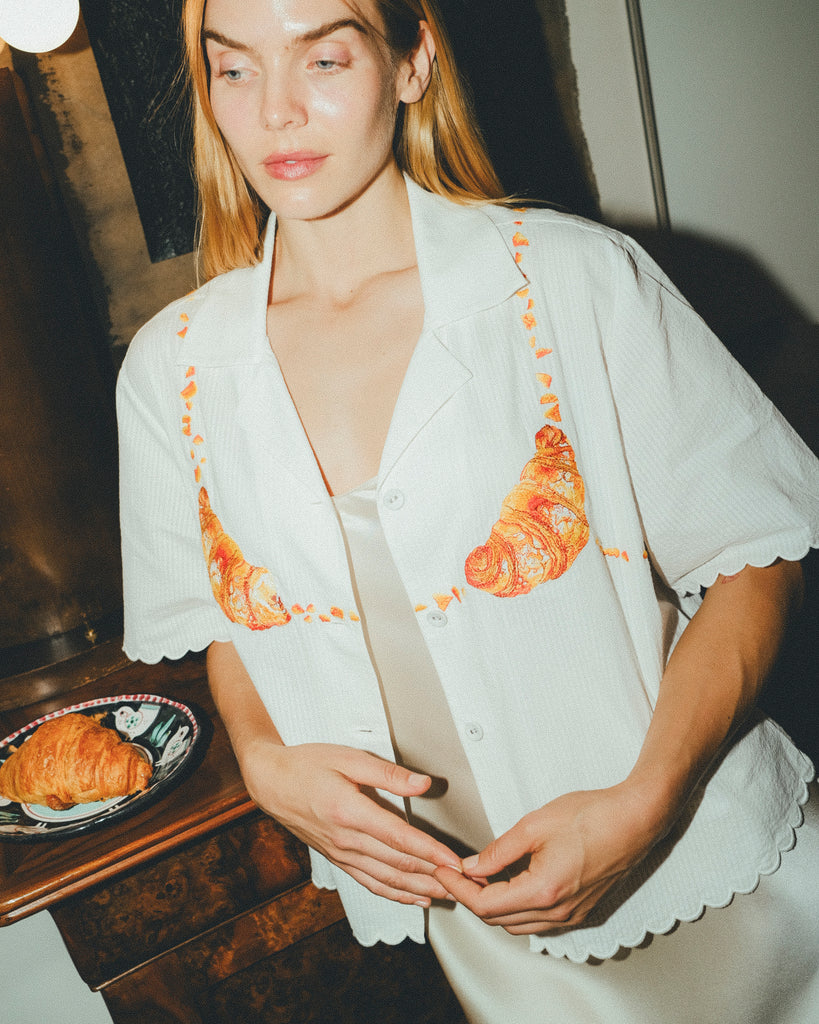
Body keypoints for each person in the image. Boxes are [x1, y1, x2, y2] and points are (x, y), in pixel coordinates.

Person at [117, 0, 819, 1019]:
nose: (276, 111)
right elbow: (234, 619)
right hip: (485, 930)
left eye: (323, 58)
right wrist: (265, 764)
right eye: (236, 70)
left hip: (729, 878)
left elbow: (759, 556)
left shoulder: (570, 279)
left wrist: (646, 800)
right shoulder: (172, 371)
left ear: (411, 63)